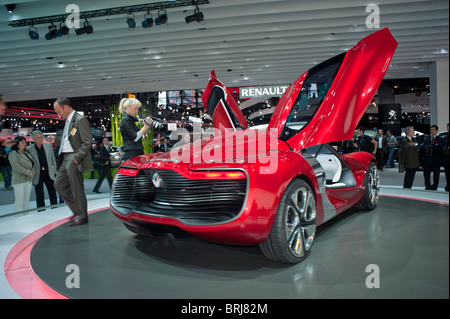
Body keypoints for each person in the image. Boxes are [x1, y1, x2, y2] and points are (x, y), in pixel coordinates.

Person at [53, 98, 93, 226]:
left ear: (66, 107)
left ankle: (82, 216)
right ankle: (77, 210)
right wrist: (57, 140)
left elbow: (87, 141)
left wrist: (77, 157)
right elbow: (70, 139)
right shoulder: (68, 121)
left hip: (73, 157)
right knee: (58, 184)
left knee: (77, 188)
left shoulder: (80, 120)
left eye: (58, 111)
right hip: (64, 158)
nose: (58, 114)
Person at [26, 130, 58, 211]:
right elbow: (29, 164)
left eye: (41, 137)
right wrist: (31, 177)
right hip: (37, 174)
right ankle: (41, 210)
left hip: (48, 172)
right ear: (33, 139)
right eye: (38, 137)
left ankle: (55, 208)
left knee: (52, 192)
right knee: (39, 194)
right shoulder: (29, 149)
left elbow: (53, 159)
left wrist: (55, 172)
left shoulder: (48, 146)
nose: (40, 139)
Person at [8, 136, 35, 212]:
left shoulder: (26, 153)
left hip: (28, 180)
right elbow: (16, 166)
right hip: (19, 180)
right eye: (22, 142)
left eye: (25, 142)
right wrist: (28, 172)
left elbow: (32, 164)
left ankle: (25, 217)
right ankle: (18, 218)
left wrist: (32, 172)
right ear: (17, 143)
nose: (24, 144)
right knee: (19, 201)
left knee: (26, 201)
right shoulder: (13, 153)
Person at [419, 125, 443, 190]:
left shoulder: (439, 139)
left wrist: (431, 147)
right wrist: (430, 147)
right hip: (427, 159)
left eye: (433, 130)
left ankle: (435, 186)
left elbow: (440, 148)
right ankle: (427, 186)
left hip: (436, 159)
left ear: (436, 130)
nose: (432, 131)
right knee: (426, 174)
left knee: (436, 174)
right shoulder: (427, 139)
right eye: (431, 129)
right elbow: (422, 147)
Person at [443, 123, 449, 192]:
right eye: (447, 127)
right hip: (447, 159)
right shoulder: (445, 138)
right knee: (447, 174)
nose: (448, 129)